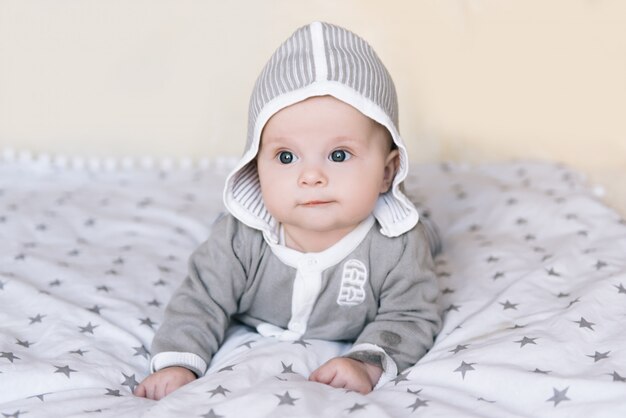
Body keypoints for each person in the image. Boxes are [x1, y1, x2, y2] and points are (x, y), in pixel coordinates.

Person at [135, 21, 441, 401]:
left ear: (387, 172)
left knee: (425, 236)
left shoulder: (396, 246)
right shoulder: (239, 238)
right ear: (254, 166)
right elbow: (201, 300)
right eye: (285, 156)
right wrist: (178, 363)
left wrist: (366, 362)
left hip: (402, 244)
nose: (311, 175)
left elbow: (411, 315)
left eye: (339, 155)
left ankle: (429, 225)